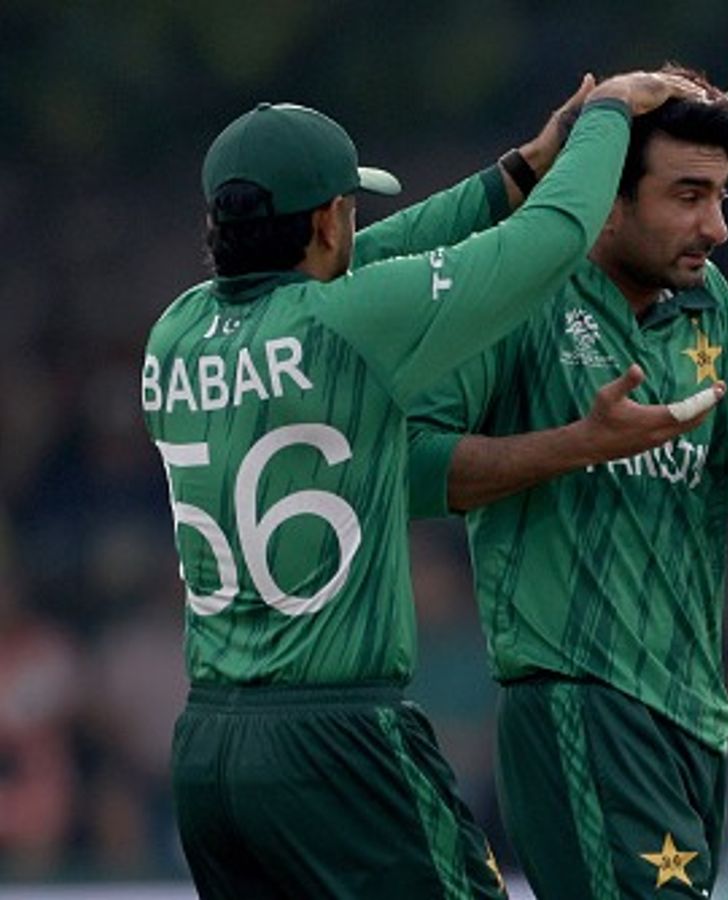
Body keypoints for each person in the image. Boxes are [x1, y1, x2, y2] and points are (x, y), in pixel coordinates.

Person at [141, 70, 698, 898]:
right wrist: (608, 114)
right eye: (349, 211)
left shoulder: (177, 329)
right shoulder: (353, 322)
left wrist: (518, 167)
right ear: (329, 221)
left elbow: (384, 256)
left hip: (210, 752)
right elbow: (550, 242)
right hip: (338, 739)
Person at [407, 65, 728, 899]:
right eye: (686, 195)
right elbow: (414, 467)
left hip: (693, 719)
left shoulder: (712, 308)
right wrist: (578, 444)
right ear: (609, 198)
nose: (715, 226)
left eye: (721, 197)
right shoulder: (520, 290)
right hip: (579, 702)